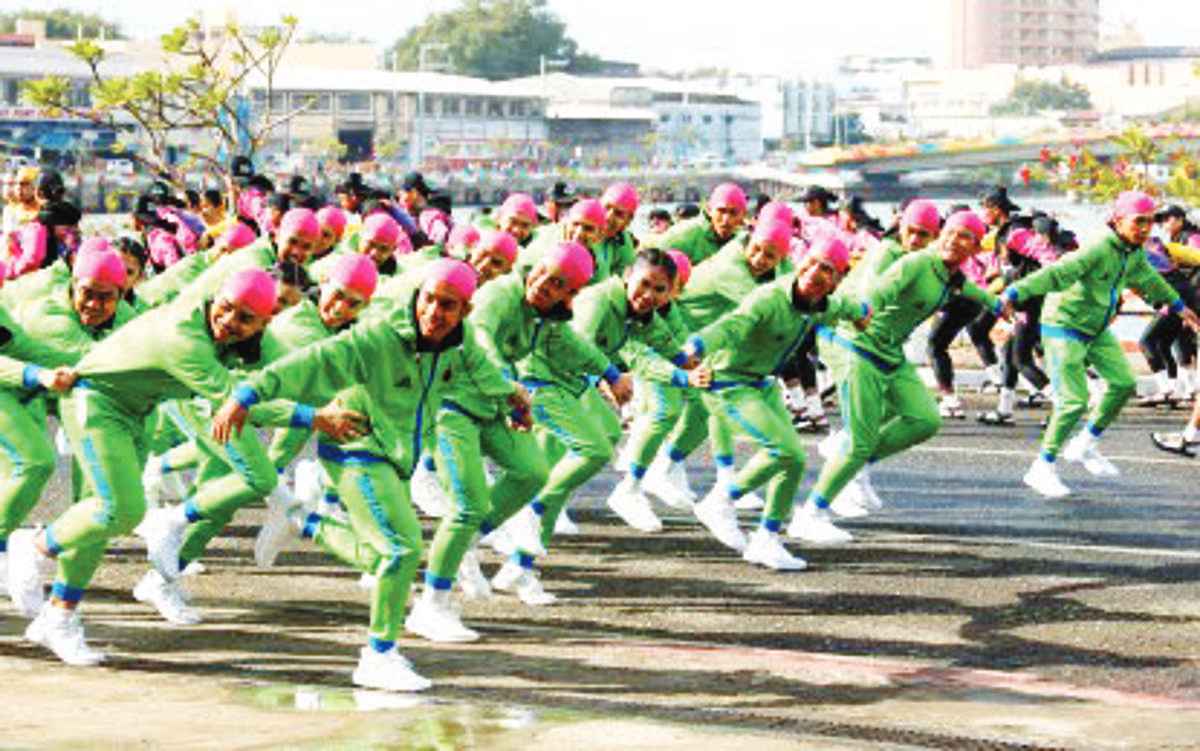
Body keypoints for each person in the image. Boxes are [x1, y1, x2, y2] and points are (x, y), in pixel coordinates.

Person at [211, 260, 527, 692]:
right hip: (355, 449)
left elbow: (484, 373)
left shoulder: (460, 343)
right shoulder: (377, 338)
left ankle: (305, 522)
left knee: (379, 555)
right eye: (429, 299)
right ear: (418, 295)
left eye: (447, 305)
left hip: (396, 458)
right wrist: (246, 395)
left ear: (465, 311)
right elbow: (311, 361)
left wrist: (515, 399)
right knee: (401, 548)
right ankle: (378, 656)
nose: (434, 312)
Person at [5, 269, 281, 666]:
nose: (229, 322)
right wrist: (314, 417)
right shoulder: (185, 335)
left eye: (244, 318)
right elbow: (233, 398)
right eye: (226, 309)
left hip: (138, 413)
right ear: (214, 298)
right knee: (117, 508)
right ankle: (30, 546)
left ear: (264, 322)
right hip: (95, 404)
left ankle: (59, 617)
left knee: (98, 520)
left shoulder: (248, 336)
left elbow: (280, 379)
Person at [803, 210, 999, 541]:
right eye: (950, 232)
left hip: (889, 352)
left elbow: (969, 289)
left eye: (964, 236)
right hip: (859, 346)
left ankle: (855, 463)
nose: (953, 240)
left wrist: (998, 304)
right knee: (860, 441)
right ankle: (811, 513)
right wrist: (862, 310)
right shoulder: (916, 263)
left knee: (924, 419)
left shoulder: (948, 274)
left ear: (977, 248)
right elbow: (876, 291)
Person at [678, 235, 867, 565]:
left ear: (835, 280)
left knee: (793, 460)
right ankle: (720, 500)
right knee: (786, 450)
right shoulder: (769, 298)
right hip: (728, 381)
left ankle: (766, 540)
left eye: (826, 268)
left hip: (762, 382)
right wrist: (696, 346)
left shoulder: (821, 304)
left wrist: (862, 312)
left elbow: (844, 306)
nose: (813, 272)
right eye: (810, 262)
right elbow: (731, 326)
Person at [1003, 191, 1200, 499]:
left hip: (1095, 328)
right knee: (1074, 400)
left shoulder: (1132, 251)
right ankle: (1042, 467)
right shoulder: (1097, 247)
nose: (1146, 228)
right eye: (1139, 222)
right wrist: (1013, 293)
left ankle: (1084, 445)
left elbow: (1150, 279)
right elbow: (1057, 273)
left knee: (1123, 384)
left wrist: (1179, 307)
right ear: (1118, 220)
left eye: (1150, 222)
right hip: (1064, 326)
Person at [644, 183, 747, 265]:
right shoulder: (684, 235)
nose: (726, 219)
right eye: (721, 211)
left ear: (743, 215)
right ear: (709, 209)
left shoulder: (744, 241)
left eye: (733, 213)